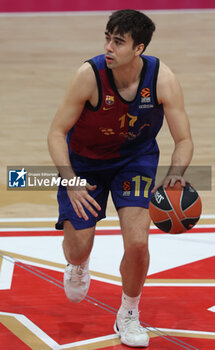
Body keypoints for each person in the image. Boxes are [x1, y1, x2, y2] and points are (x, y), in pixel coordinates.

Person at [48, 9, 193, 348]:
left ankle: (128, 313)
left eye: (118, 42)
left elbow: (184, 140)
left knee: (139, 241)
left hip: (135, 161)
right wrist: (69, 180)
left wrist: (174, 176)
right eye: (107, 38)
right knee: (78, 246)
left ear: (138, 48)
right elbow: (56, 132)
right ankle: (78, 264)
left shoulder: (162, 78)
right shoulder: (89, 75)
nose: (108, 47)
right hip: (85, 163)